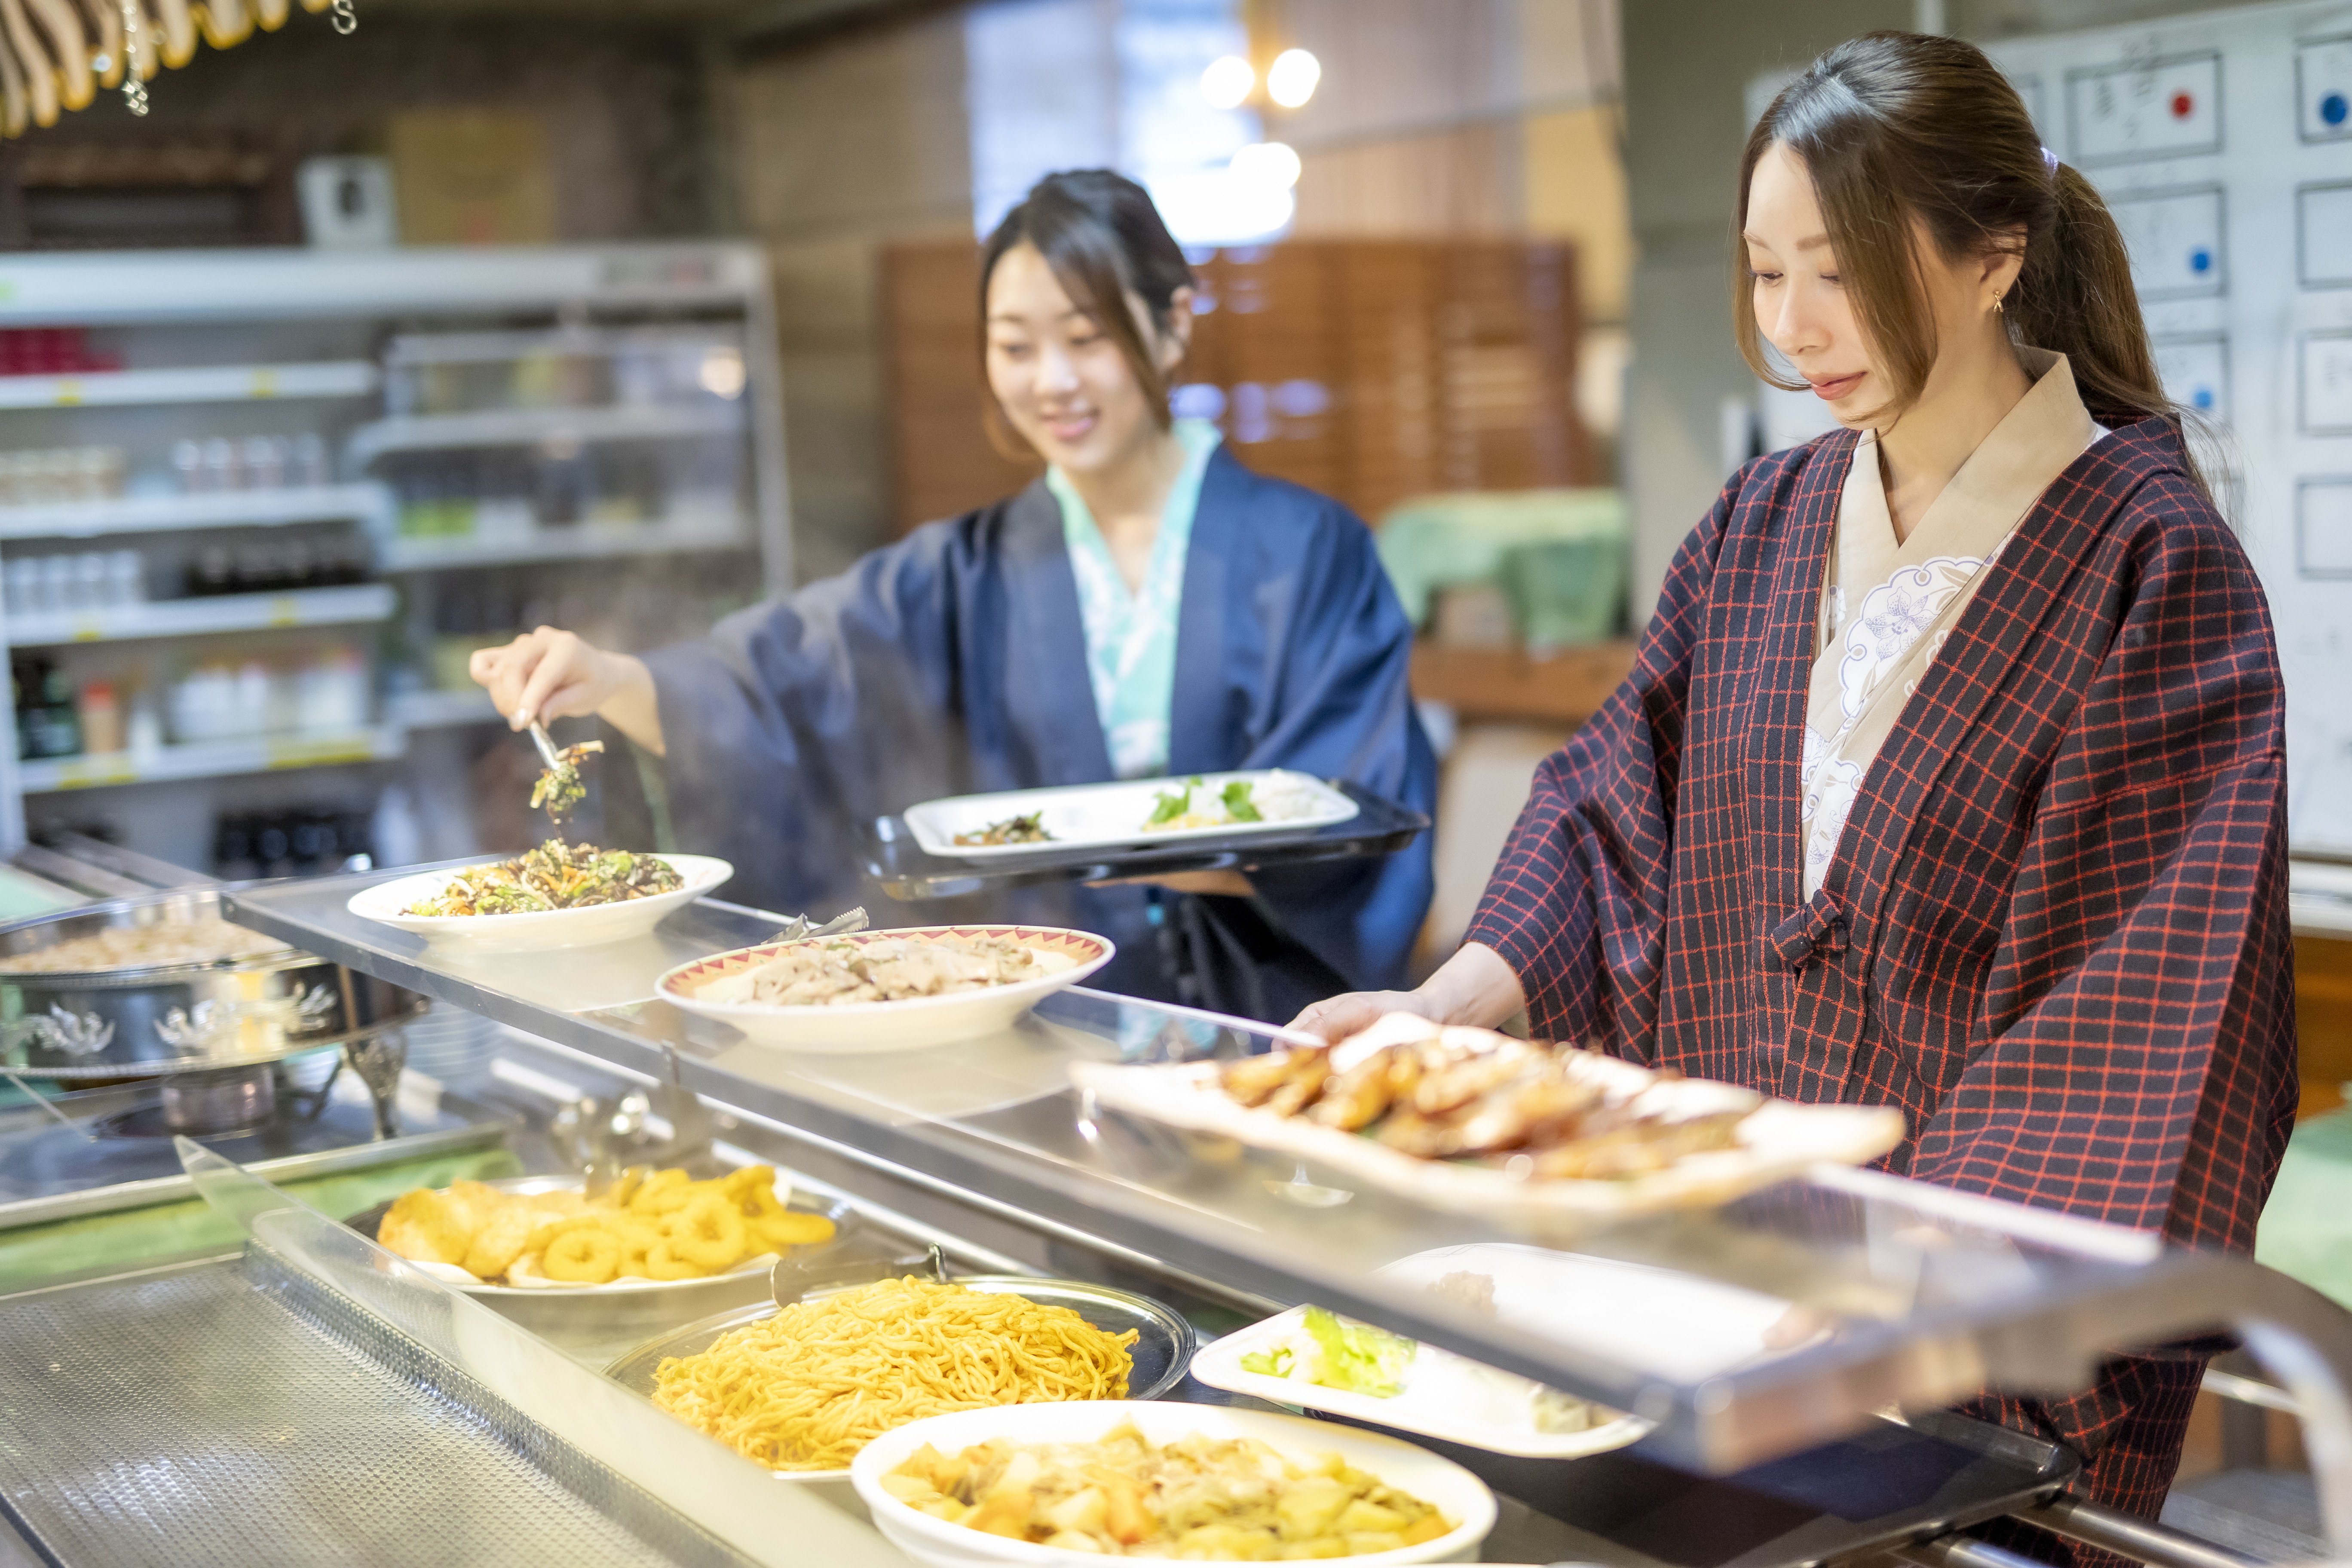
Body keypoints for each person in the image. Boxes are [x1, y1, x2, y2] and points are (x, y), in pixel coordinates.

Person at [1294, 31, 2295, 1543]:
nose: (1796, 325)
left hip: (1957, 1359)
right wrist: (1442, 1013)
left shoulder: (2152, 564)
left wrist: (1881, 1301)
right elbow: (1613, 807)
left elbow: (2142, 1003)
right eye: (1765, 275)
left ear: (1994, 255)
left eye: (1836, 268)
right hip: (1699, 1299)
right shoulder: (1765, 514)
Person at [472, 169, 1436, 1024]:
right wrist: (613, 676)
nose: (1052, 381)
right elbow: (781, 683)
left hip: (1266, 1025)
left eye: (1087, 337)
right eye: (1015, 346)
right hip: (1050, 1019)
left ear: (1176, 323)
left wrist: (1061, 854)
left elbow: (1347, 814)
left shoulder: (1309, 552)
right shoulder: (962, 570)